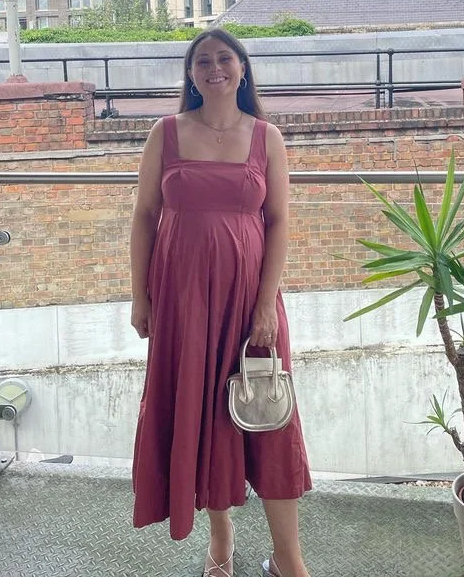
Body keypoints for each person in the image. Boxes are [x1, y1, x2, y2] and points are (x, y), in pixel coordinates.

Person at [130, 29, 312, 577]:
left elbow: (278, 222)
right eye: (203, 61)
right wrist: (140, 298)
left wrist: (264, 306)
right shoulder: (165, 134)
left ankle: (289, 561)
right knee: (200, 415)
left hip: (248, 301)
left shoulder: (267, 137)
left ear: (242, 69)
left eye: (224, 59)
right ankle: (220, 544)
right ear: (190, 74)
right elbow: (144, 217)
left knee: (269, 420)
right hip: (183, 302)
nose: (215, 68)